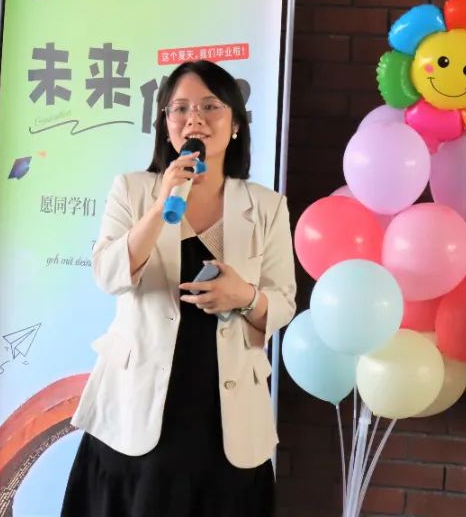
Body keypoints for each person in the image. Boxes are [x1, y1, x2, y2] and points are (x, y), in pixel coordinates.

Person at [62, 60, 296, 517]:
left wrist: (245, 297)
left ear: (235, 124)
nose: (195, 119)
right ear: (165, 124)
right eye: (180, 108)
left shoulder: (267, 207)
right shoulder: (132, 190)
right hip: (138, 405)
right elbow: (108, 274)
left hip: (222, 409)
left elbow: (283, 301)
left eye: (210, 106)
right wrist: (160, 205)